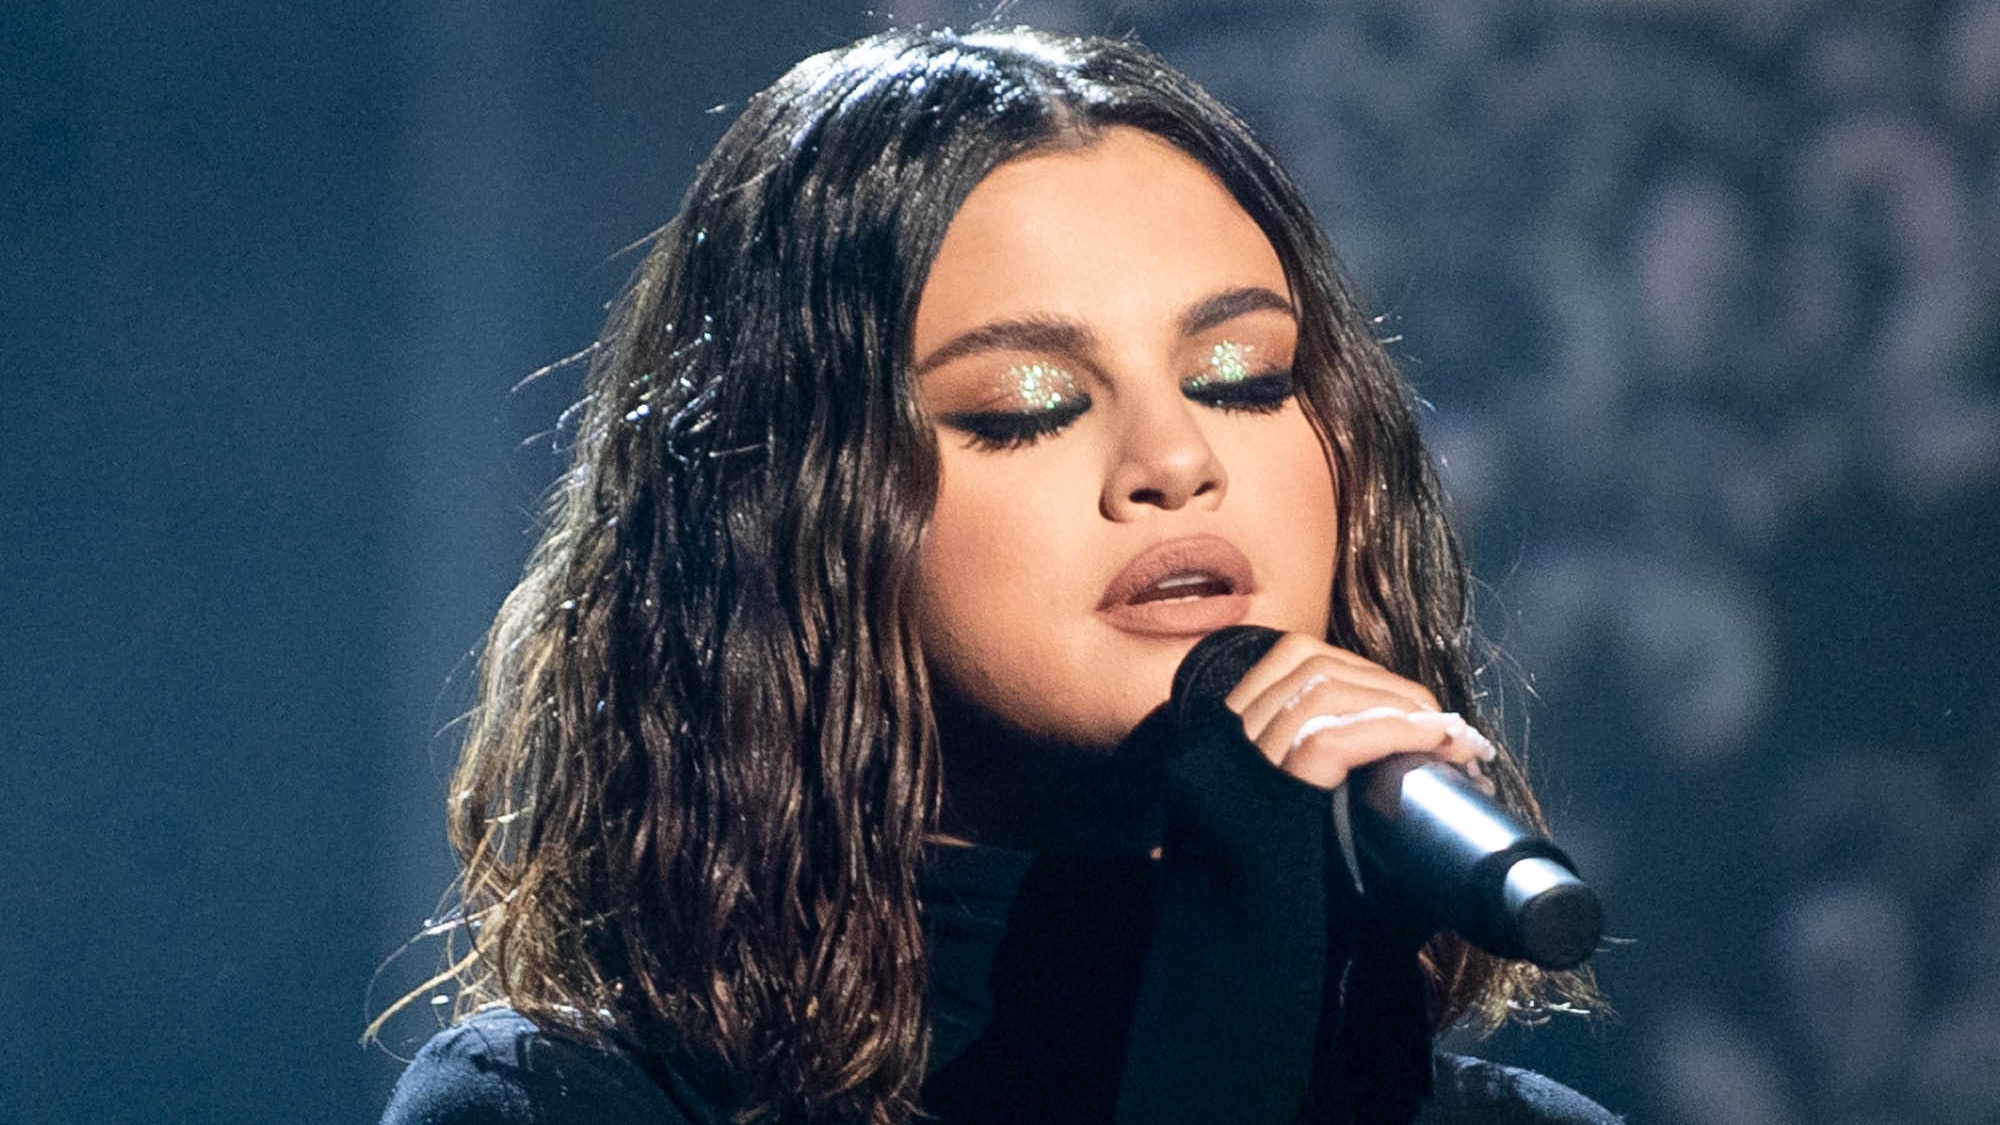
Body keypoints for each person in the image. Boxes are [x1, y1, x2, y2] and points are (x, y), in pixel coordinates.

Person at [377, 25, 1619, 1125]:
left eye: (1239, 380)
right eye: (1026, 408)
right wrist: (1226, 1005)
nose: (1173, 461)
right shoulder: (555, 1104)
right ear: (790, 509)